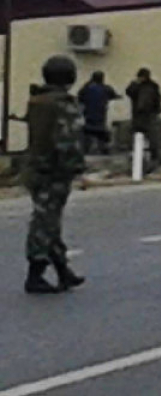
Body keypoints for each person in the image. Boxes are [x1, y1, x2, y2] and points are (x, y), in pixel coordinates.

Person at [22, 56, 88, 294]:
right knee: (45, 221)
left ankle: (62, 270)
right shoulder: (63, 103)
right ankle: (36, 273)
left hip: (35, 167)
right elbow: (67, 140)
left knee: (49, 218)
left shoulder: (37, 101)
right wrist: (76, 166)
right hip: (55, 170)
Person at [126, 68, 161, 164]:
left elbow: (157, 99)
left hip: (145, 115)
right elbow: (129, 92)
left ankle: (152, 157)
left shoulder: (151, 86)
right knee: (145, 137)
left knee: (150, 138)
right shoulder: (150, 86)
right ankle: (142, 157)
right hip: (144, 115)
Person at [78, 71, 119, 155]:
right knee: (102, 134)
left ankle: (86, 151)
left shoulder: (87, 89)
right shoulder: (106, 88)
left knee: (87, 133)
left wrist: (88, 83)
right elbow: (114, 96)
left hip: (88, 116)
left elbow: (80, 96)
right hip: (101, 117)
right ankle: (104, 150)